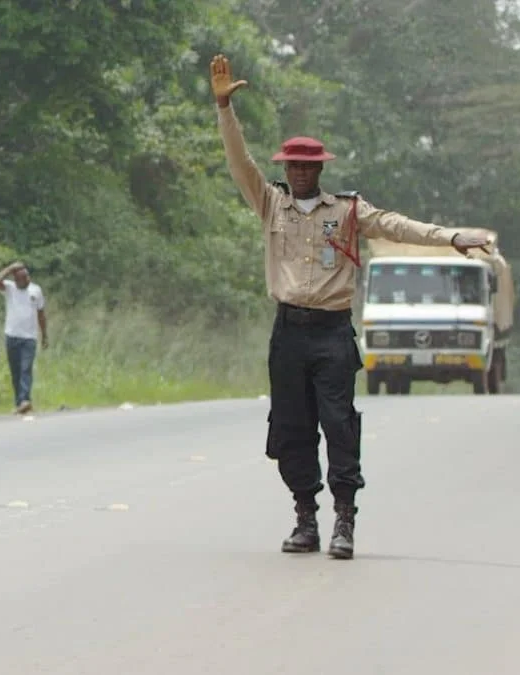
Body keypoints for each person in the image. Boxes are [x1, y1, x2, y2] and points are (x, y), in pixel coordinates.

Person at [210, 54, 491, 560]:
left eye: (307, 166)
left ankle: (344, 520)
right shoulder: (269, 202)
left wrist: (451, 238)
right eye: (292, 165)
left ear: (320, 169)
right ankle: (305, 518)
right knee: (291, 427)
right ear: (285, 169)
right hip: (289, 333)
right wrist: (223, 107)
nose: (298, 172)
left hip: (332, 334)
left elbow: (398, 225)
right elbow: (238, 162)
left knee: (339, 424)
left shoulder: (347, 211)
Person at [0, 261, 47, 415]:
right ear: (16, 279)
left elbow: (41, 314)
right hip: (12, 335)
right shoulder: (10, 288)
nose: (27, 279)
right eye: (23, 277)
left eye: (27, 276)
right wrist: (9, 268)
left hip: (29, 337)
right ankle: (20, 403)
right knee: (15, 371)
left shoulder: (36, 290)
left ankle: (25, 400)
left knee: (25, 368)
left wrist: (44, 336)